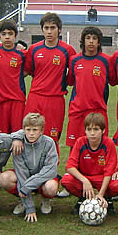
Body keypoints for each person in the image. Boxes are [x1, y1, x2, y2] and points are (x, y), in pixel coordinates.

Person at [23, 13, 76, 152]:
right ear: (42, 30)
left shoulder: (67, 50)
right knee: (30, 134)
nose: (49, 31)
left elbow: (73, 76)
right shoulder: (34, 49)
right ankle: (31, 170)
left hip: (55, 99)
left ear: (59, 29)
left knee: (53, 137)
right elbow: (26, 71)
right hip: (35, 97)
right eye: (46, 28)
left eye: (52, 28)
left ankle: (52, 171)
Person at [0, 113, 58, 222]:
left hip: (43, 178)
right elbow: (21, 172)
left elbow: (51, 170)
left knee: (51, 187)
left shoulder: (49, 143)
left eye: (35, 130)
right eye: (28, 129)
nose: (31, 133)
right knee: (4, 178)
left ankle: (45, 199)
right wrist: (29, 208)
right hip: (25, 178)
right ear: (23, 130)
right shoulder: (18, 144)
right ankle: (23, 201)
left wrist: (27, 187)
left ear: (41, 130)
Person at [61, 113, 118, 215]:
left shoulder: (108, 143)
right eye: (89, 129)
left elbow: (109, 172)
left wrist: (101, 194)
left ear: (103, 131)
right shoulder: (80, 142)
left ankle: (106, 199)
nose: (92, 133)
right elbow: (69, 166)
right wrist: (85, 180)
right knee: (66, 181)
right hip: (85, 177)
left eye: (96, 129)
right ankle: (84, 198)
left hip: (101, 178)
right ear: (85, 130)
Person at [66, 27, 115, 147]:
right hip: (77, 110)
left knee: (100, 147)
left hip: (98, 110)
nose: (91, 41)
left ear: (99, 42)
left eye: (94, 38)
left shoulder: (107, 60)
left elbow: (113, 80)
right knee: (75, 146)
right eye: (88, 38)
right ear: (83, 41)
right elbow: (71, 82)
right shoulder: (74, 60)